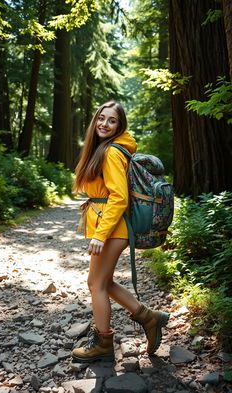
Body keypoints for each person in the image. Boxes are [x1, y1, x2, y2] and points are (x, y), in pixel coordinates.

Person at [72, 101, 169, 363]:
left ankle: (103, 342)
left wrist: (100, 235)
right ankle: (150, 317)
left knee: (96, 284)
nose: (104, 124)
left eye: (111, 120)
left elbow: (119, 198)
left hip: (113, 227)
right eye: (101, 118)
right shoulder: (101, 149)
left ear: (119, 126)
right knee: (104, 282)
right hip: (110, 225)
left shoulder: (112, 153)